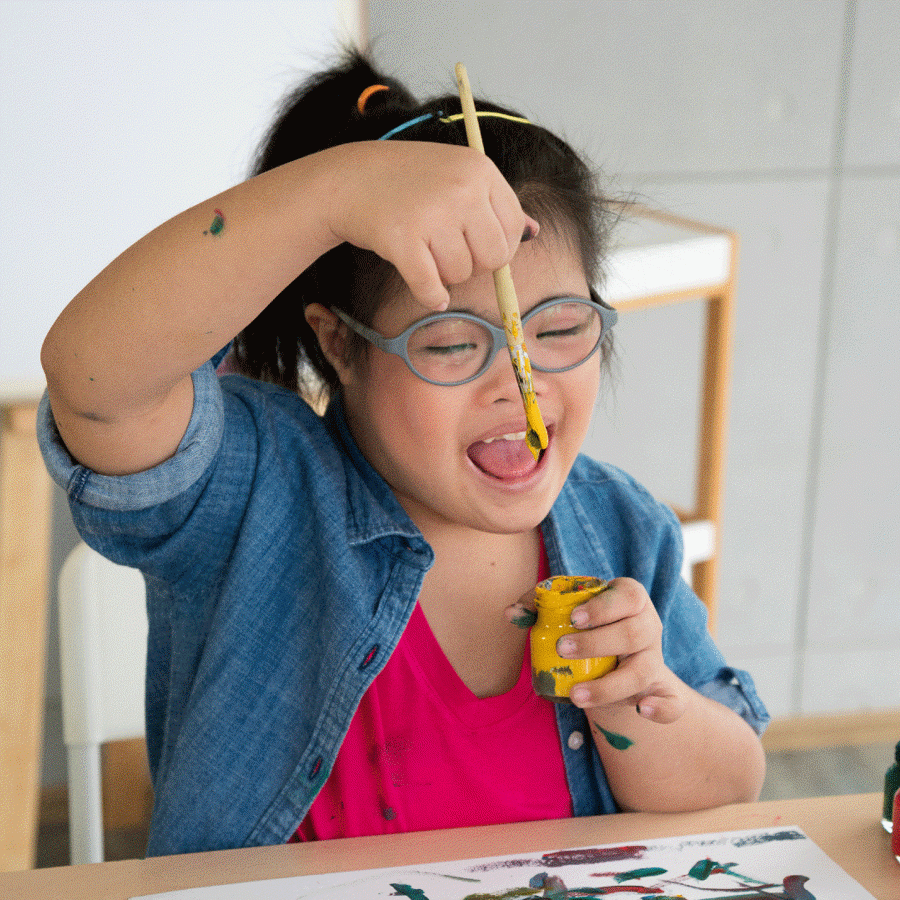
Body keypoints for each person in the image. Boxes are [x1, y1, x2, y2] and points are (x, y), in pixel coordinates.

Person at [38, 50, 769, 857]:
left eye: (559, 329)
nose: (521, 388)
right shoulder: (258, 495)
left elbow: (732, 785)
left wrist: (642, 699)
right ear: (339, 346)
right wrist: (331, 197)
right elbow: (95, 379)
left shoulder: (623, 526)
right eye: (453, 343)